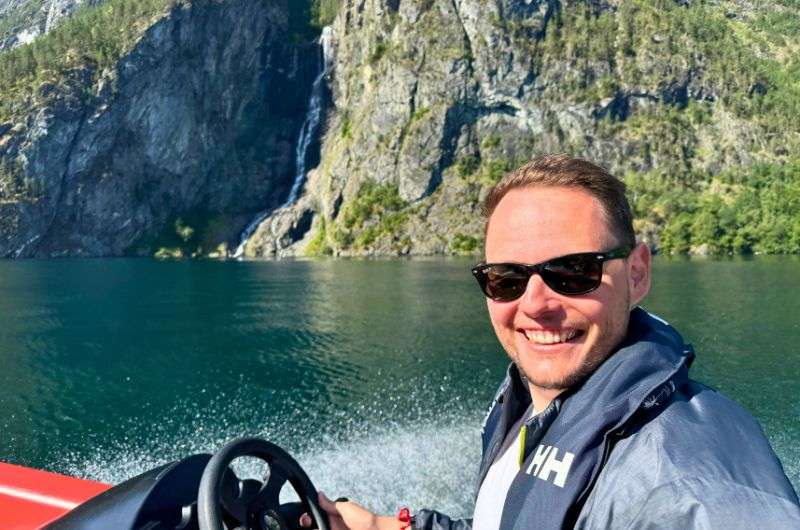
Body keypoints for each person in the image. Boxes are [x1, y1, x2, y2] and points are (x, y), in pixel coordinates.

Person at [305, 154, 800, 529]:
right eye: (506, 278)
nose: (536, 304)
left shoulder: (690, 490)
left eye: (572, 271)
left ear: (638, 272)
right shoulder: (539, 401)